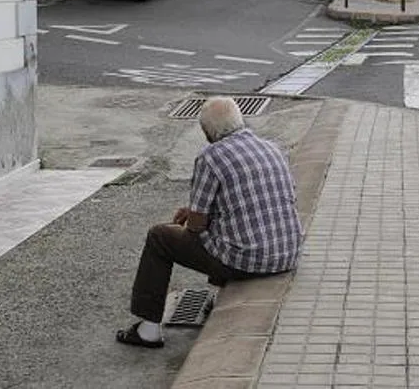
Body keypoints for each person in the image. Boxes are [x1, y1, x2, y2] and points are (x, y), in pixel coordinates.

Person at [115, 98, 303, 349]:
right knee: (226, 227)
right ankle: (215, 297)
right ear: (239, 119)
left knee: (160, 237)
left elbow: (195, 226)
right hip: (288, 254)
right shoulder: (272, 148)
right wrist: (200, 213)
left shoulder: (211, 157)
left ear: (207, 132)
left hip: (249, 261)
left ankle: (148, 328)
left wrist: (192, 216)